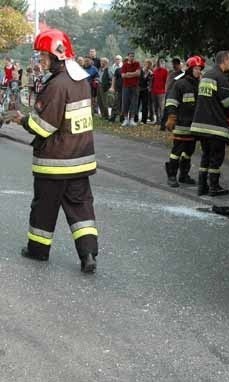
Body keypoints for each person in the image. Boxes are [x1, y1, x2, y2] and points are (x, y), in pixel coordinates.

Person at [9, 28, 98, 273]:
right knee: (81, 209)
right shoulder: (80, 81)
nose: (41, 60)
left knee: (44, 209)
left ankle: (38, 251)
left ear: (57, 55)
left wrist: (22, 120)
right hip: (81, 160)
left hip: (54, 162)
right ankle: (88, 253)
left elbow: (44, 126)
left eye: (44, 55)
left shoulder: (57, 85)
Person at [190, 50, 229, 196]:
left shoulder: (207, 76)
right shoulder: (221, 78)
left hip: (201, 125)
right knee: (217, 157)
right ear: (224, 61)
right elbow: (228, 102)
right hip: (215, 126)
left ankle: (202, 186)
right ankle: (214, 187)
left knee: (206, 155)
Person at [164, 55, 204, 187]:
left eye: (200, 69)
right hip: (181, 125)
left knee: (189, 152)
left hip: (193, 126)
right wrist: (171, 117)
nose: (199, 71)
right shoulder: (180, 84)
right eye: (197, 69)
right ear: (190, 69)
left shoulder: (199, 85)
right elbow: (171, 102)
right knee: (176, 152)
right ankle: (171, 176)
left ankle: (184, 175)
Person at [120, 51, 141, 127]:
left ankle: (132, 120)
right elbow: (123, 75)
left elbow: (138, 73)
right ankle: (126, 119)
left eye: (133, 56)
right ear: (127, 57)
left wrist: (128, 74)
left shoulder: (137, 64)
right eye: (130, 56)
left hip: (135, 86)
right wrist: (133, 74)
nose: (131, 57)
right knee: (125, 102)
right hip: (126, 86)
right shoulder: (124, 65)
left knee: (134, 103)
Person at [151, 57, 168, 125]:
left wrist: (165, 90)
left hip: (161, 91)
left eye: (160, 62)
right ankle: (157, 120)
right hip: (154, 91)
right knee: (155, 107)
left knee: (161, 107)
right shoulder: (154, 71)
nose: (159, 64)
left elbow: (166, 81)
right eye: (158, 63)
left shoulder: (165, 71)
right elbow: (153, 81)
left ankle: (162, 120)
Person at [138, 59, 153, 124]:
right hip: (138, 89)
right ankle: (135, 119)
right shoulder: (140, 71)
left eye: (149, 65)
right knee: (137, 104)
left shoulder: (151, 73)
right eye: (147, 64)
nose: (148, 66)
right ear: (145, 64)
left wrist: (149, 87)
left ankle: (144, 120)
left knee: (145, 105)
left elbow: (151, 82)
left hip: (145, 90)